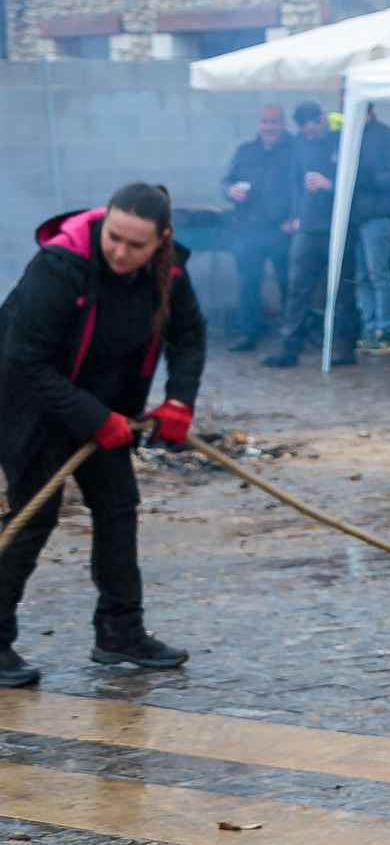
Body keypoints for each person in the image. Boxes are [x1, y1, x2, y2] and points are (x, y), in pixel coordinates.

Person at [0, 184, 205, 685]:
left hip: (103, 403)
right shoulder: (59, 267)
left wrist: (179, 401)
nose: (120, 252)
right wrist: (96, 417)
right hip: (29, 401)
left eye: (136, 245)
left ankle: (120, 630)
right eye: (113, 237)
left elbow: (189, 334)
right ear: (103, 223)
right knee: (35, 514)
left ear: (160, 240)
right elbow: (24, 363)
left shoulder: (170, 273)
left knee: (117, 506)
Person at [261, 102, 360, 368]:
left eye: (312, 129)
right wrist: (295, 213)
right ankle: (289, 347)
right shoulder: (299, 144)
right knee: (297, 289)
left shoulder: (341, 141)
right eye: (304, 130)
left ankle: (344, 346)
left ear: (321, 120)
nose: (309, 134)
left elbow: (357, 179)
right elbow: (294, 181)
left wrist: (331, 185)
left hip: (337, 226)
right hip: (307, 225)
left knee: (343, 289)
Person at [220, 104, 297, 351]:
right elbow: (225, 182)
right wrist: (230, 191)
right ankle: (247, 334)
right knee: (248, 283)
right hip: (248, 229)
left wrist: (296, 218)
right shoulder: (245, 151)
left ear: (283, 124)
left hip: (281, 229)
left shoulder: (295, 150)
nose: (269, 127)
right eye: (265, 122)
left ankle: (291, 333)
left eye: (274, 122)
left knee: (287, 282)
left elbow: (302, 187)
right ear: (259, 124)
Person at [353, 103, 390, 355]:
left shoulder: (388, 136)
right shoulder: (350, 135)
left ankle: (384, 329)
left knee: (378, 273)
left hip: (378, 214)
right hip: (356, 216)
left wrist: (369, 177)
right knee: (362, 276)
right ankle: (369, 325)